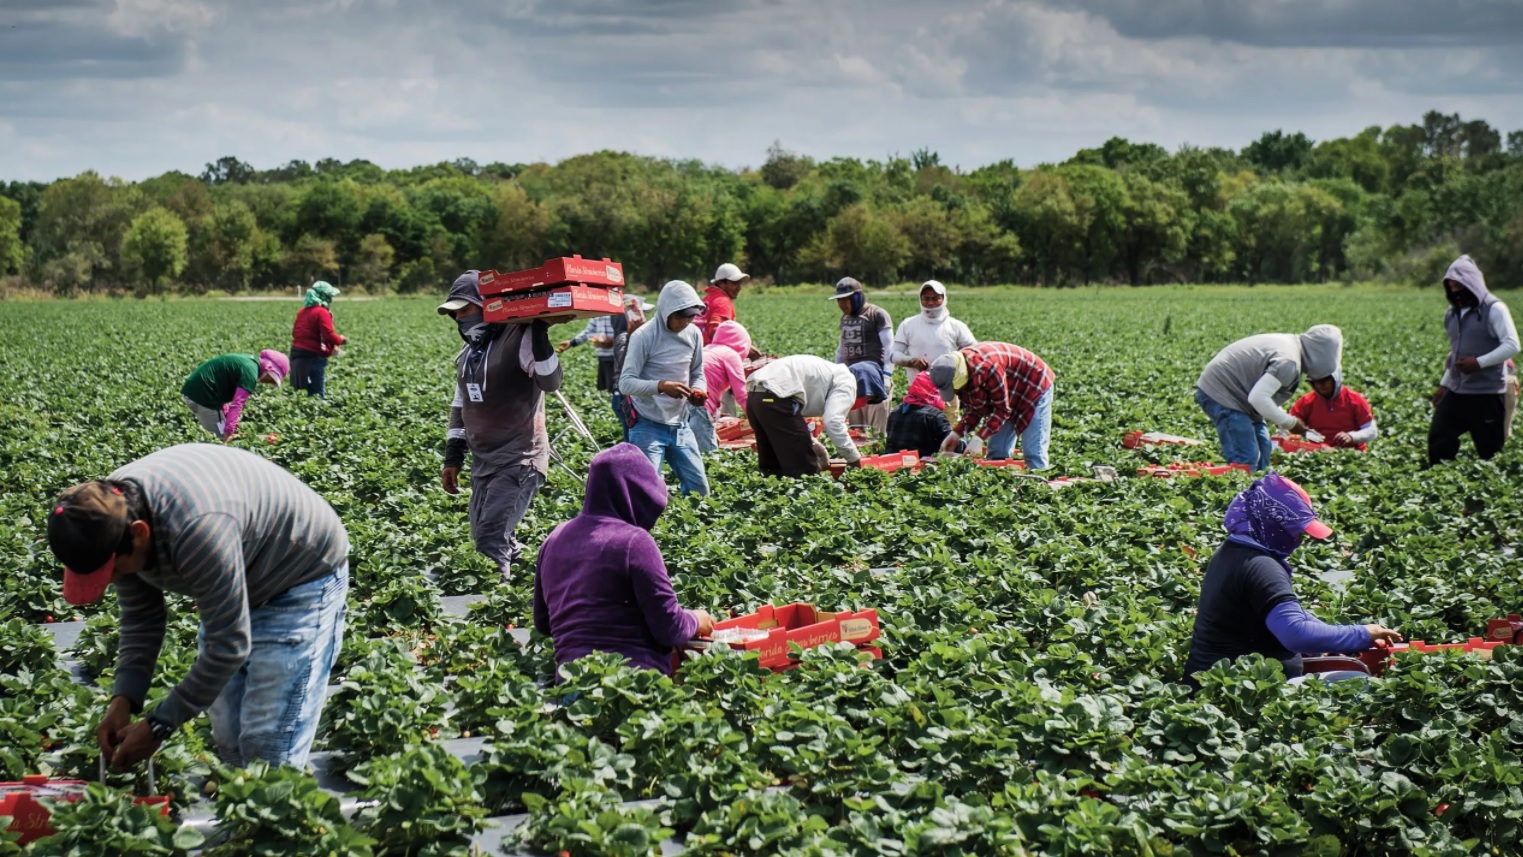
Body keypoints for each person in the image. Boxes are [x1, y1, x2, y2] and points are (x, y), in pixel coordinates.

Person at [46, 444, 349, 771]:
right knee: (230, 736)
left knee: (268, 744)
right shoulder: (109, 517)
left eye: (115, 571)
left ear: (140, 533)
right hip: (235, 568)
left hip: (300, 575)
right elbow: (141, 618)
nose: (115, 579)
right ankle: (248, 807)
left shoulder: (196, 530)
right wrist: (124, 700)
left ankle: (275, 815)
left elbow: (228, 645)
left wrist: (159, 725)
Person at [1182, 472, 1402, 690]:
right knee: (1361, 684)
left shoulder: (1233, 551)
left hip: (1212, 684)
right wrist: (1362, 634)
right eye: (1295, 530)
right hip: (1238, 692)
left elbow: (1292, 616)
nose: (1299, 538)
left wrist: (1334, 639)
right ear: (1272, 522)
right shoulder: (1262, 567)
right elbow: (1295, 632)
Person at [533, 443, 716, 677]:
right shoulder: (634, 542)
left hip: (572, 683)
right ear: (637, 494)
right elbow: (669, 628)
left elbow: (543, 622)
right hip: (632, 684)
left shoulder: (554, 539)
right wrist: (695, 619)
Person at [437, 270, 564, 579]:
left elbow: (550, 380)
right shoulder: (470, 354)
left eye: (464, 310)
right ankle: (548, 582)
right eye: (454, 314)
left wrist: (538, 333)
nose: (459, 319)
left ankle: (496, 614)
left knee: (490, 539)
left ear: (485, 305)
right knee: (490, 534)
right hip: (484, 461)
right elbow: (460, 404)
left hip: (519, 458)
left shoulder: (518, 338)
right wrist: (453, 456)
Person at [1194, 325, 1344, 472]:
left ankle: (1258, 490)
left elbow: (1261, 395)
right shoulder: (1289, 361)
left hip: (1241, 397)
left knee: (1264, 447)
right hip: (1223, 393)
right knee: (1247, 456)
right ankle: (1240, 491)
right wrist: (1290, 423)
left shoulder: (1293, 349)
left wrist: (1286, 419)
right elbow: (1258, 398)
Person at [618, 280, 710, 496]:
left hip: (680, 424)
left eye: (690, 316)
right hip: (647, 423)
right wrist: (661, 386)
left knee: (700, 490)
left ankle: (694, 529)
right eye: (680, 316)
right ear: (666, 311)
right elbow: (626, 383)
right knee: (646, 491)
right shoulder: (644, 336)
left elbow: (697, 373)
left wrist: (698, 390)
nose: (685, 322)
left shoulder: (694, 334)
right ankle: (646, 529)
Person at [1428, 255, 1520, 467]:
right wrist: (1444, 384)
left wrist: (1478, 362)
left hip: (1487, 394)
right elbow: (1454, 354)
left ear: (1472, 284)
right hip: (1458, 392)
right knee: (1439, 438)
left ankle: (1490, 494)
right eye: (1451, 287)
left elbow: (1512, 344)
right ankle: (1441, 483)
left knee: (1490, 453)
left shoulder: (1494, 309)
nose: (1455, 292)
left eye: (1459, 286)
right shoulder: (1452, 314)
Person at [745, 355, 882, 477]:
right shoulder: (848, 382)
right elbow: (833, 422)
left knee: (773, 463)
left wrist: (811, 442)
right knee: (804, 468)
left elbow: (790, 421)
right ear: (866, 390)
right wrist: (854, 459)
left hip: (756, 396)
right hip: (775, 397)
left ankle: (774, 500)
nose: (864, 405)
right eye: (868, 400)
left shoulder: (832, 372)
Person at [931, 343, 1055, 470]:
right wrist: (956, 434)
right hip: (1008, 390)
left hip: (1034, 384)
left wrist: (978, 438)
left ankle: (1038, 481)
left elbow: (1001, 410)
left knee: (1033, 452)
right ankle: (1004, 482)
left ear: (960, 377)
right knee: (997, 451)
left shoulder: (988, 366)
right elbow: (976, 407)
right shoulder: (960, 367)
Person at [830, 277, 894, 435]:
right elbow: (841, 349)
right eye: (839, 300)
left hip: (875, 380)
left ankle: (880, 458)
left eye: (845, 300)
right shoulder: (845, 318)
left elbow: (890, 348)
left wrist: (886, 376)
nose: (841, 304)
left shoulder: (876, 314)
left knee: (877, 430)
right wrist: (836, 374)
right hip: (852, 380)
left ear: (857, 297)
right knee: (856, 430)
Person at [181, 350, 289, 442]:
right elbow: (238, 404)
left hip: (196, 392)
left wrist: (227, 417)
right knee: (219, 441)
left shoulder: (250, 362)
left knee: (224, 431)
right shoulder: (250, 372)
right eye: (271, 379)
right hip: (202, 397)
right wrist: (228, 431)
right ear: (269, 370)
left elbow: (221, 385)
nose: (268, 382)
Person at [890, 281, 977, 386]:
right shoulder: (908, 324)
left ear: (944, 299)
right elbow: (894, 354)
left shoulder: (956, 326)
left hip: (951, 389)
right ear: (920, 299)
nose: (930, 303)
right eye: (926, 299)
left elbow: (974, 353)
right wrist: (912, 361)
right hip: (919, 391)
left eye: (935, 299)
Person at [691, 320, 753, 453]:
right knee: (708, 456)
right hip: (699, 403)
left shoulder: (707, 350)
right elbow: (741, 394)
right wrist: (756, 421)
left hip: (679, 402)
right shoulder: (730, 354)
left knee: (687, 450)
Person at [1288, 374, 1377, 450]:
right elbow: (1288, 425)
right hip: (1318, 455)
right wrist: (1295, 435)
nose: (1321, 385)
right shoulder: (1306, 401)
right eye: (1316, 381)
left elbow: (1371, 431)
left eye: (1325, 380)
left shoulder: (1355, 399)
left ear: (1335, 378)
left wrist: (1351, 437)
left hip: (1352, 455)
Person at [289, 280, 346, 398]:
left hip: (297, 357)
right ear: (325, 296)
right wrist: (340, 340)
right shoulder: (322, 312)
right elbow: (328, 335)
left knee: (303, 395)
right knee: (317, 396)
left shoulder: (302, 312)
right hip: (313, 358)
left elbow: (295, 333)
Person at [611, 296, 655, 441]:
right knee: (633, 440)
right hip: (625, 399)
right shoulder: (623, 338)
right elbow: (626, 366)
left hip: (630, 397)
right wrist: (631, 335)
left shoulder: (640, 337)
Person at [886, 373, 962, 457]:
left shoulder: (895, 412)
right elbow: (951, 444)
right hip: (920, 466)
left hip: (892, 463)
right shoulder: (934, 416)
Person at [556, 312, 620, 393]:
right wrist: (572, 342)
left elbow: (627, 330)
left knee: (619, 390)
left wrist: (614, 341)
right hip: (603, 357)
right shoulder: (598, 312)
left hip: (618, 357)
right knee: (612, 390)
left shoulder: (620, 309)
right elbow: (588, 331)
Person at [695, 262, 752, 348]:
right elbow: (714, 331)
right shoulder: (723, 301)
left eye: (739, 283)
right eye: (734, 283)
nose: (739, 287)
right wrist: (743, 347)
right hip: (711, 352)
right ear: (721, 283)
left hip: (697, 351)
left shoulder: (707, 299)